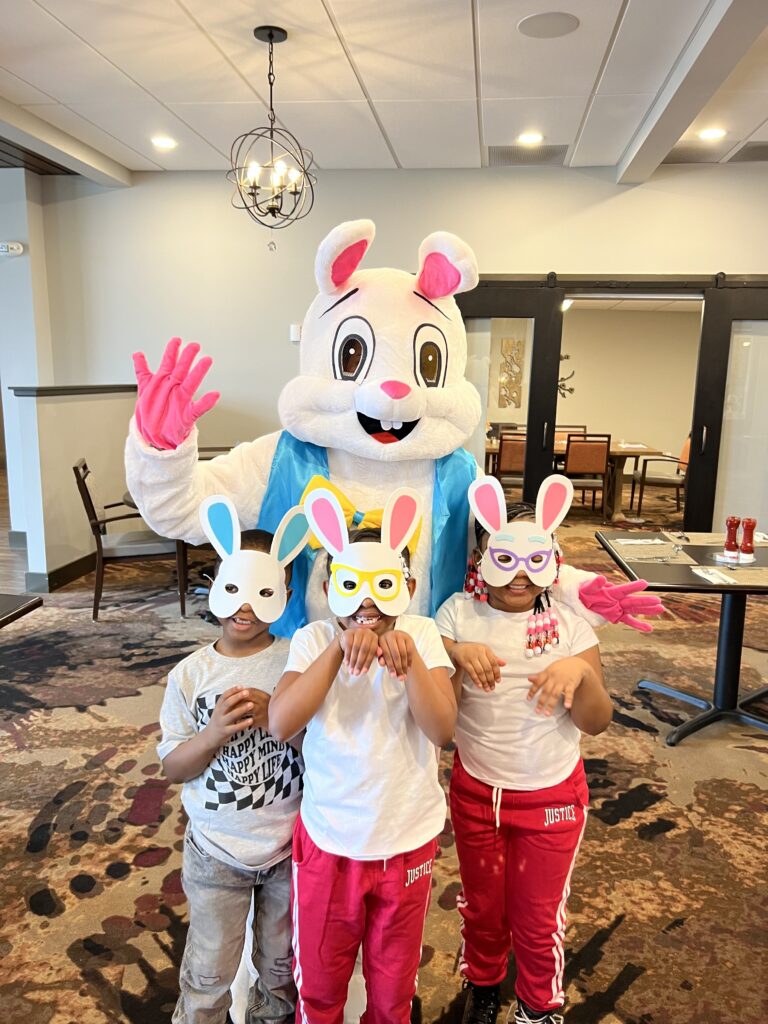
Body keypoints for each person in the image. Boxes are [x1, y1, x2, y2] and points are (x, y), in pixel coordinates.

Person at [268, 486, 457, 1024]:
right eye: (351, 585)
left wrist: (413, 663)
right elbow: (282, 723)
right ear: (330, 589)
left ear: (408, 587)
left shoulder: (422, 634)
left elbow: (442, 728)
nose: (367, 602)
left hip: (406, 840)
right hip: (331, 841)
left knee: (393, 990)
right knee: (321, 986)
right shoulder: (311, 640)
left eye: (383, 585)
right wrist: (335, 647)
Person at [436, 475, 613, 1024]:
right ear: (482, 555)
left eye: (531, 560)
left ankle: (539, 1006)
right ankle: (485, 982)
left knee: (538, 917)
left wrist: (578, 673)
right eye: (503, 557)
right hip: (476, 793)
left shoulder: (570, 626)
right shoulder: (456, 615)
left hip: (552, 796)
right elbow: (433, 675)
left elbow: (598, 721)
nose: (516, 574)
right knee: (484, 906)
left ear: (553, 560)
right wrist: (457, 651)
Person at [158, 497, 310, 1024]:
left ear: (284, 595)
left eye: (263, 591)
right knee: (209, 969)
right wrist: (212, 734)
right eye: (234, 588)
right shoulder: (190, 676)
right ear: (215, 588)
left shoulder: (299, 659)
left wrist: (280, 718)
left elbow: (324, 751)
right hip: (215, 851)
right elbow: (174, 767)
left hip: (289, 848)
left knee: (280, 971)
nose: (246, 606)